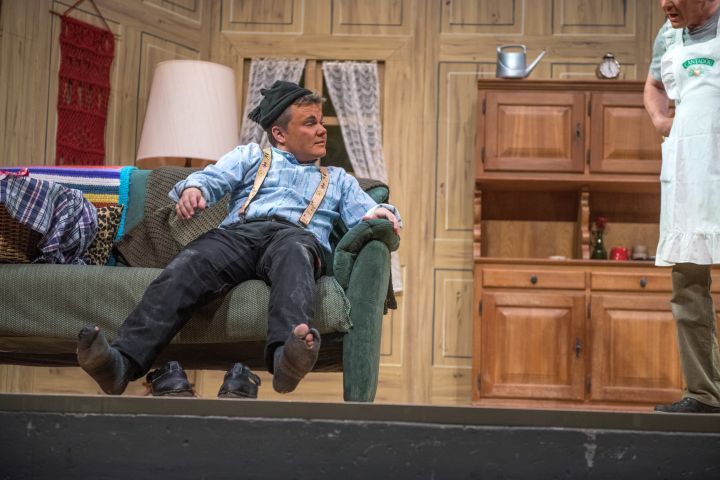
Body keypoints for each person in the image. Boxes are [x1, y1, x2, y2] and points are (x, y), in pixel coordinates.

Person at [76, 80, 402, 397]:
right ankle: (121, 363)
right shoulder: (252, 156)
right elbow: (214, 177)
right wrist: (194, 189)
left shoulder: (338, 179)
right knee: (191, 262)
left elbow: (368, 211)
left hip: (294, 237)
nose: (321, 130)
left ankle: (286, 359)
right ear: (279, 134)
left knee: (295, 257)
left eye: (320, 122)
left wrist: (381, 213)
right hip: (239, 234)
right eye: (310, 122)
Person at [644, 0, 720, 413]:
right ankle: (704, 394)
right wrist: (661, 120)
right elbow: (654, 85)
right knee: (688, 284)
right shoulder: (668, 35)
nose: (664, 4)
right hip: (691, 169)